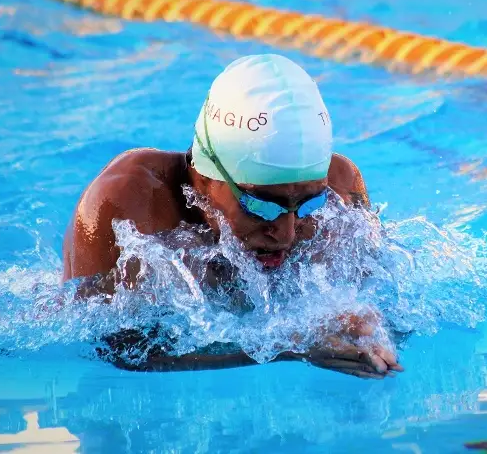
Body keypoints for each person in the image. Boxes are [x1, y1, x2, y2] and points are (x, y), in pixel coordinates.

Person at [62, 54, 403, 379]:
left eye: (308, 206)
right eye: (261, 206)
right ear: (207, 178)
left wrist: (369, 330)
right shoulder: (128, 205)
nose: (285, 234)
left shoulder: (341, 191)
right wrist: (288, 348)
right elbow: (117, 348)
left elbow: (386, 299)